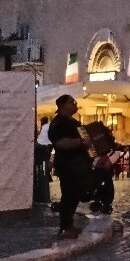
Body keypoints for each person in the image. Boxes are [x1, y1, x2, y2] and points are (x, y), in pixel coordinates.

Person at [48, 95, 91, 239]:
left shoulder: (76, 122)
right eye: (72, 102)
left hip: (79, 164)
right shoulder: (58, 123)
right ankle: (65, 227)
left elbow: (87, 140)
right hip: (67, 164)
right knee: (68, 195)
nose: (75, 104)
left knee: (75, 195)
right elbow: (60, 143)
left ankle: (69, 224)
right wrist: (81, 143)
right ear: (62, 105)